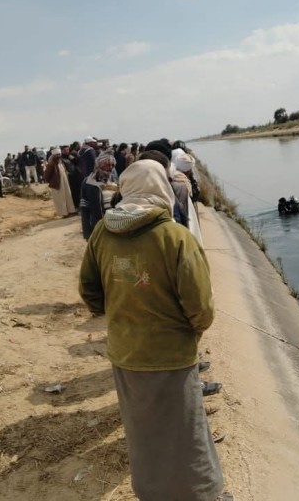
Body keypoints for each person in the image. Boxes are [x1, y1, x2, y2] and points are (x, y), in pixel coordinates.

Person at [79, 159, 227, 501]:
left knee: (143, 431)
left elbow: (89, 291)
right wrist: (191, 332)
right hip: (171, 355)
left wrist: (119, 312)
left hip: (125, 351)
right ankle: (203, 494)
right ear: (160, 188)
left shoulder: (102, 232)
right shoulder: (175, 237)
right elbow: (201, 306)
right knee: (186, 432)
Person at [79, 152, 117, 239]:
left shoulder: (115, 180)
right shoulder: (88, 183)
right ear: (98, 165)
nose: (110, 168)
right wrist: (87, 232)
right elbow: (84, 209)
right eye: (107, 165)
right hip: (98, 225)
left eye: (112, 165)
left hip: (115, 223)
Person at [43, 148, 76, 217]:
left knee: (67, 196)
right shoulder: (51, 163)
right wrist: (52, 182)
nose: (59, 156)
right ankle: (64, 213)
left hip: (64, 182)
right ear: (54, 155)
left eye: (59, 154)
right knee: (60, 198)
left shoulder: (61, 162)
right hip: (57, 184)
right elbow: (46, 175)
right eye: (57, 155)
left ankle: (71, 211)